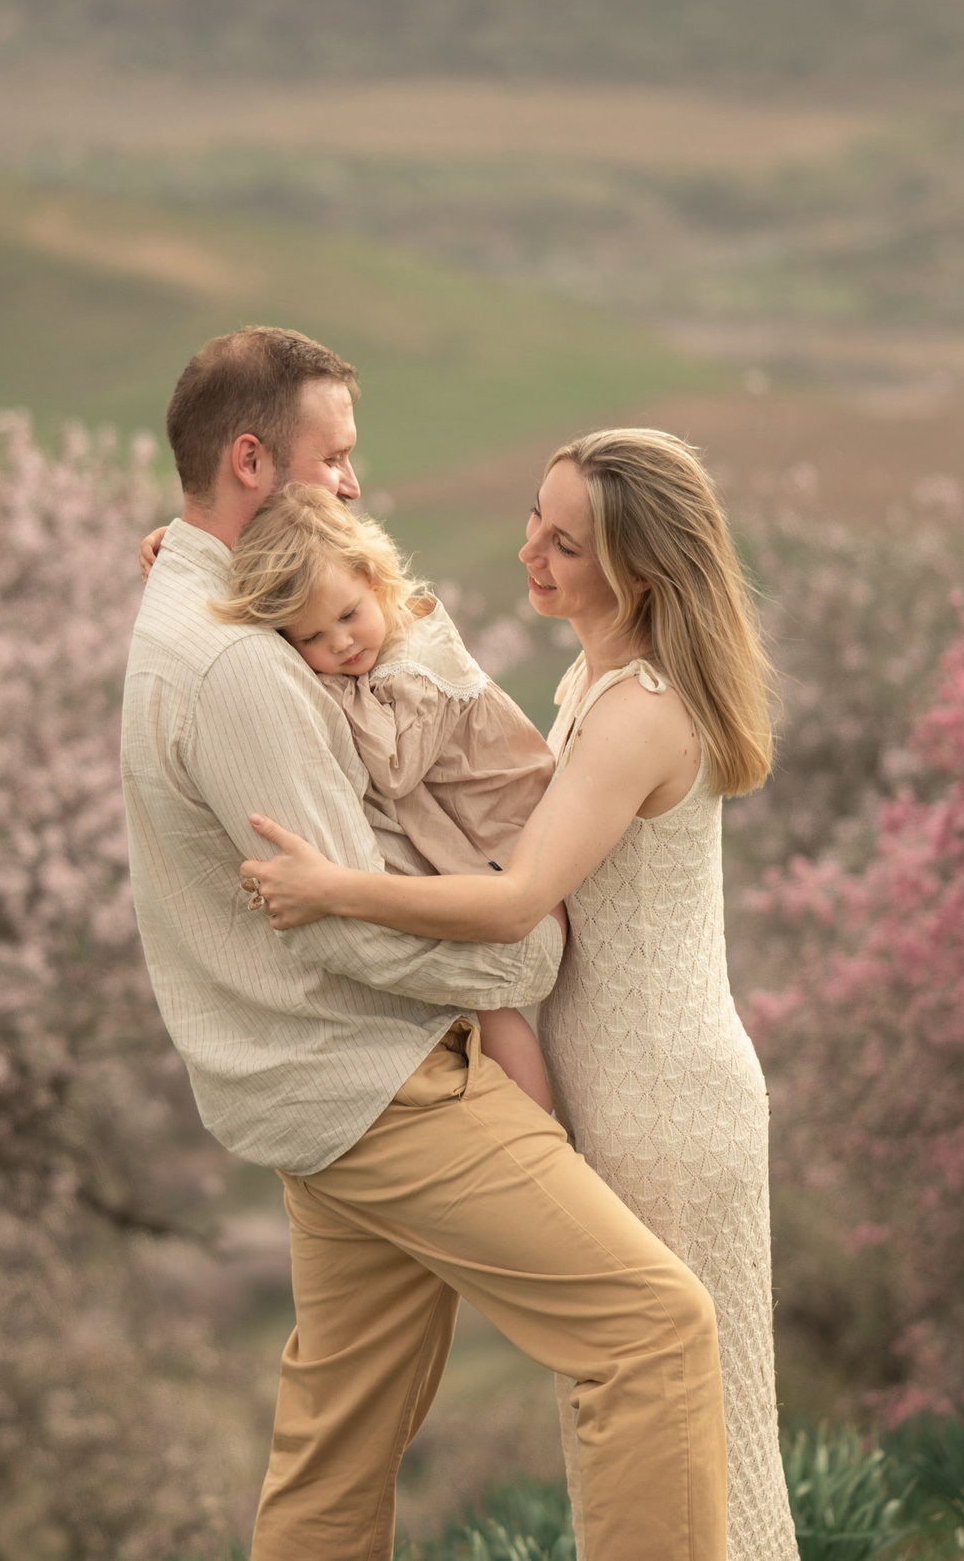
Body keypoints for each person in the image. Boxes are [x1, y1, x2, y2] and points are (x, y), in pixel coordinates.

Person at [124, 327, 728, 1561]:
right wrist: (528, 956)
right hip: (388, 1084)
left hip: (317, 1091)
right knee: (651, 1329)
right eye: (333, 457)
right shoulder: (240, 665)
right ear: (251, 459)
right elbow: (346, 921)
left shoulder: (206, 602)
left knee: (336, 1444)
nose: (353, 479)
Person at [240, 427, 802, 1561]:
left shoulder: (641, 708)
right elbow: (367, 602)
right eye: (532, 521)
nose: (528, 552)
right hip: (616, 1081)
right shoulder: (590, 673)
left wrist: (331, 887)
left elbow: (517, 899)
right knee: (643, 1421)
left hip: (661, 1099)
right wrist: (203, 565)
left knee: (687, 1429)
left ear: (638, 569)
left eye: (564, 543)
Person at [208, 481, 557, 1113]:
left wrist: (328, 694)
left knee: (493, 1000)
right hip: (479, 835)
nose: (339, 644)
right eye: (310, 640)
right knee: (481, 1003)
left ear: (376, 580)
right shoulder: (376, 652)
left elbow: (392, 769)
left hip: (513, 839)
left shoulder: (416, 660)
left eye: (347, 616)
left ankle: (541, 1124)